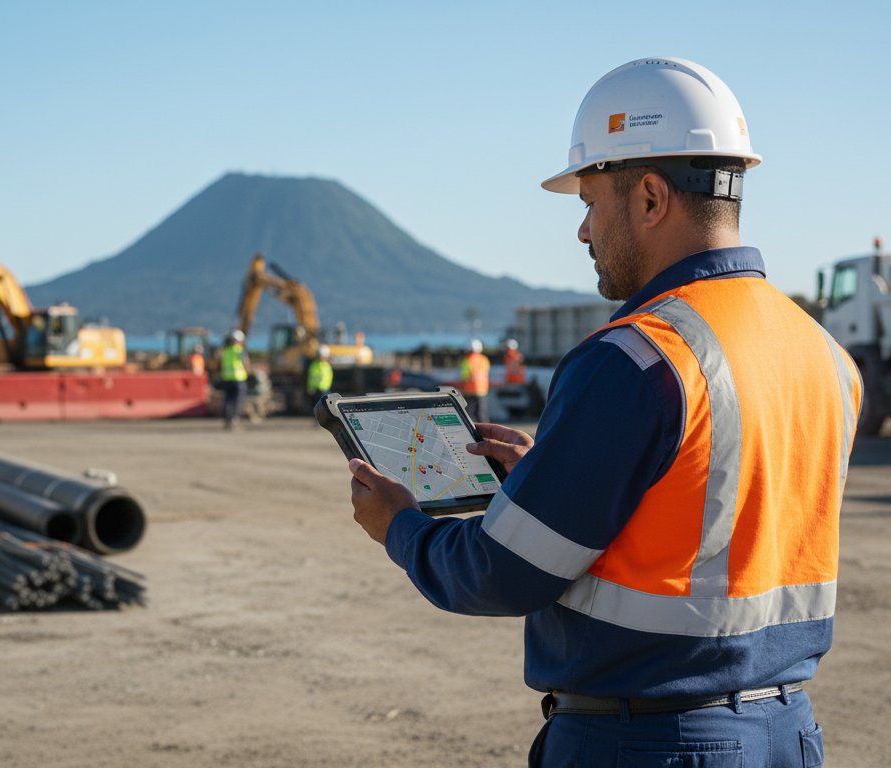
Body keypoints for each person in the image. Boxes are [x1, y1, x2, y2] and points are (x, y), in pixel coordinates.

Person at [345, 57, 862, 767]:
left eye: (589, 202)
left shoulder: (638, 359)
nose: (583, 231)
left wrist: (400, 527)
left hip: (652, 741)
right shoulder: (824, 354)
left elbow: (503, 571)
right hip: (784, 735)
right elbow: (711, 524)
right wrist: (551, 476)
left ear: (650, 198)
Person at [219, 329, 249, 430]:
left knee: (228, 401)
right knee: (238, 401)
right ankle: (235, 421)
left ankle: (227, 421)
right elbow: (246, 364)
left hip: (227, 379)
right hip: (238, 380)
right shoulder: (239, 351)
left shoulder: (226, 351)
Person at [458, 338, 490, 423]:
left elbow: (465, 377)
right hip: (482, 390)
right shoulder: (484, 359)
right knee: (482, 414)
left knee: (469, 414)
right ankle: (486, 432)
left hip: (469, 391)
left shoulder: (467, 360)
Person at [306, 344, 333, 409]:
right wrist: (310, 387)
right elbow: (310, 377)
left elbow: (328, 377)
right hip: (315, 389)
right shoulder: (314, 365)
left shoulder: (326, 365)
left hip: (324, 389)